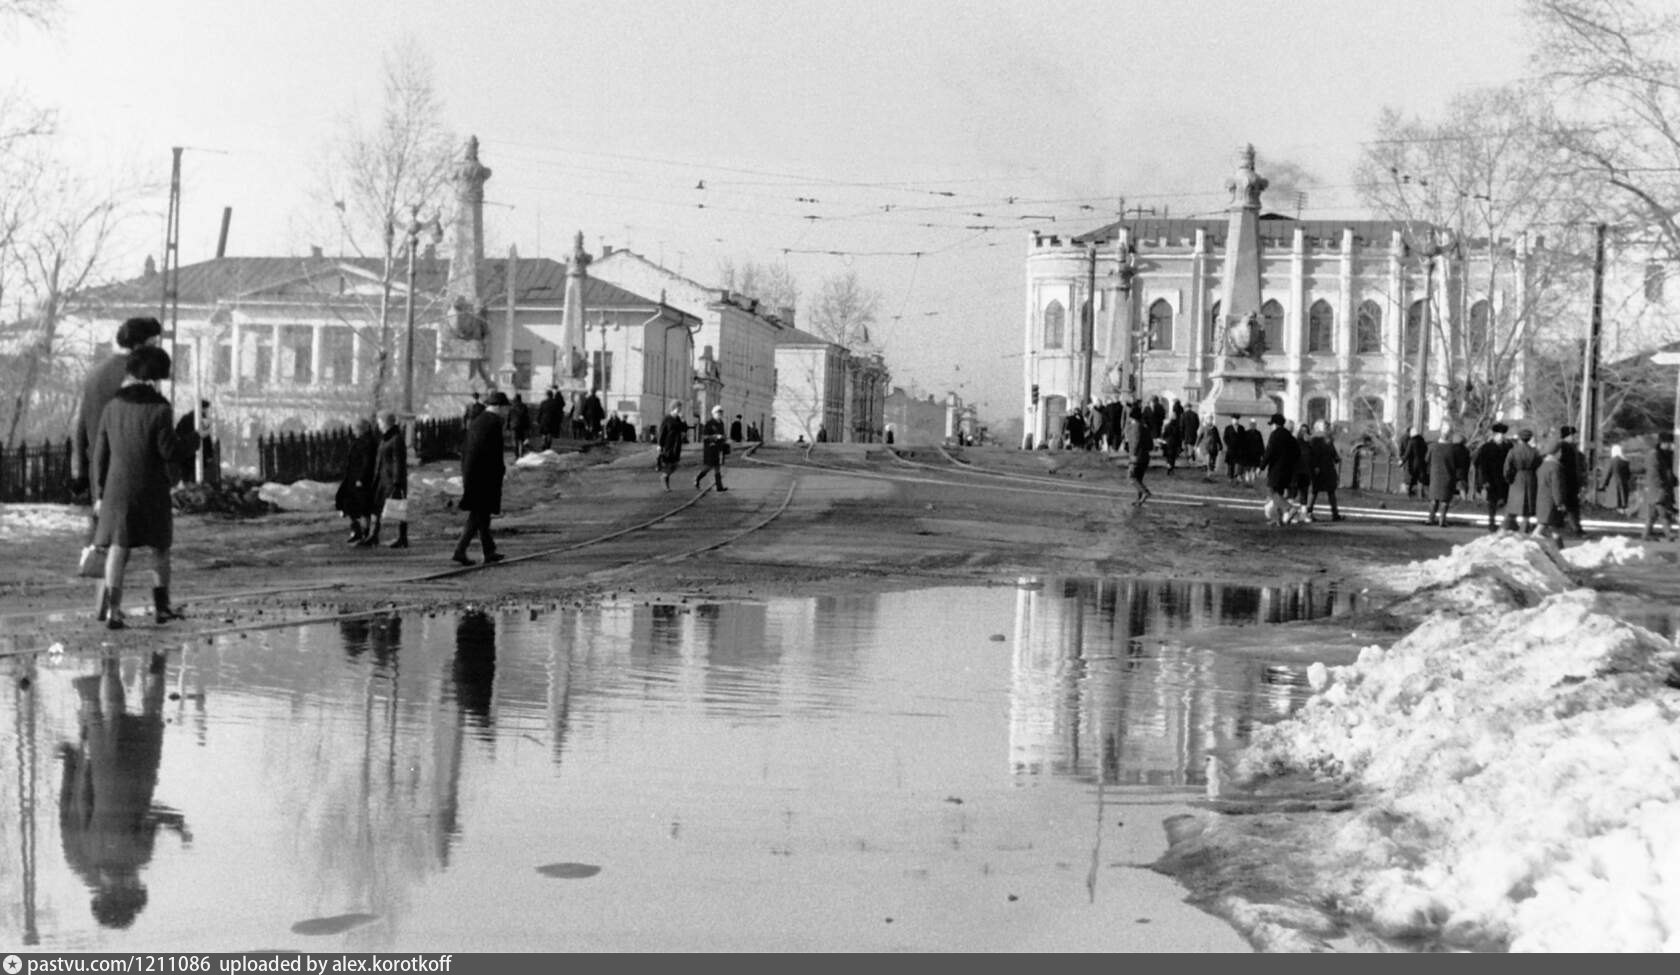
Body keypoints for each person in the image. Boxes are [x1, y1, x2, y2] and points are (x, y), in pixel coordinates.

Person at [59, 651, 184, 930]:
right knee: (110, 718)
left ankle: (156, 660)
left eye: (134, 888)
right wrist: (78, 761)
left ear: (128, 891)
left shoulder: (139, 857)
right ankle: (109, 660)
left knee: (150, 716)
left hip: (139, 777)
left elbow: (149, 816)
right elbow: (79, 804)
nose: (137, 882)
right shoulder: (83, 860)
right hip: (107, 776)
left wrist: (176, 823)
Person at [91, 345, 197, 629]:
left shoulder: (112, 407)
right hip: (151, 490)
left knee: (118, 548)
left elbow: (100, 454)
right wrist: (193, 441)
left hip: (117, 490)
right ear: (155, 377)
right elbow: (168, 451)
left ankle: (113, 610)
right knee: (159, 548)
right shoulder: (160, 409)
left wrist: (99, 493)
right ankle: (162, 608)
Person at [72, 316, 163, 548]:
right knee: (130, 541)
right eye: (153, 344)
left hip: (97, 463)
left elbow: (81, 424)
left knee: (101, 533)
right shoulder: (137, 378)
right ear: (140, 345)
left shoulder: (95, 373)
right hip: (129, 467)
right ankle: (113, 583)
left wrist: (79, 469)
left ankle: (99, 579)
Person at [453, 391, 508, 566]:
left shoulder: (479, 421)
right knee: (478, 514)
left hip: (474, 474)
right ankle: (460, 550)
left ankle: (489, 551)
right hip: (484, 476)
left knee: (482, 515)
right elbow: (494, 454)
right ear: (498, 407)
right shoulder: (493, 423)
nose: (507, 412)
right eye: (506, 408)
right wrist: (499, 471)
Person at [359, 412, 409, 549]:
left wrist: (397, 482)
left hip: (392, 481)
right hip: (382, 479)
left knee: (399, 509)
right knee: (376, 508)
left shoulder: (396, 439)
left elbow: (398, 461)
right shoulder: (385, 438)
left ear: (387, 423)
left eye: (380, 423)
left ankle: (402, 538)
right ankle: (374, 535)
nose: (379, 425)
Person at [334, 417, 379, 544]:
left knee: (364, 507)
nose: (353, 431)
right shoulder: (360, 441)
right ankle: (356, 529)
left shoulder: (368, 443)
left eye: (355, 429)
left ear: (361, 429)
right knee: (345, 502)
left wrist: (361, 478)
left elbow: (367, 463)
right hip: (352, 478)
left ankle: (365, 533)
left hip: (362, 480)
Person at [1472, 423, 1513, 532]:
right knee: (1492, 503)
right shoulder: (1487, 447)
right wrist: (1484, 480)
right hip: (1491, 478)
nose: (1501, 436)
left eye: (1503, 434)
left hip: (1504, 478)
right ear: (1494, 435)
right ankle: (1492, 522)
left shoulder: (1508, 447)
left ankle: (1506, 524)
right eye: (1499, 434)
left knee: (1505, 501)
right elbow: (1482, 465)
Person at [1261, 413, 1300, 526]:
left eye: (1272, 424)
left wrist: (1262, 466)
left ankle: (1289, 508)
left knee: (1272, 492)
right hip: (1288, 470)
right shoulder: (1290, 436)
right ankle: (1278, 520)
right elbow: (1297, 453)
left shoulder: (1275, 435)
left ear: (1275, 424)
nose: (1271, 426)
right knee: (1279, 493)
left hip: (1276, 469)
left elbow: (1269, 452)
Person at [1639, 431, 1677, 541]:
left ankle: (1646, 535)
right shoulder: (1655, 456)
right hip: (1658, 489)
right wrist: (1662, 486)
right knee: (1663, 513)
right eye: (1669, 443)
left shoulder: (1663, 455)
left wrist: (1673, 481)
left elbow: (1667, 472)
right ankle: (1669, 534)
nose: (1671, 446)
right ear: (1662, 443)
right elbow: (1655, 474)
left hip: (1657, 490)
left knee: (1652, 515)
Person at [1424, 425, 1465, 526]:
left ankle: (1431, 518)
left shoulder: (1432, 447)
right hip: (1448, 475)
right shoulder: (1454, 449)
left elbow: (1426, 460)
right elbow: (1458, 465)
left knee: (1433, 499)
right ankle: (1442, 520)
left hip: (1434, 476)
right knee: (1445, 499)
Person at [1503, 427, 1541, 533]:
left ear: (1519, 438)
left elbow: (1507, 467)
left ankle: (1507, 528)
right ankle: (1524, 528)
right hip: (1530, 478)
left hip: (1517, 478)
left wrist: (1509, 479)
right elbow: (1539, 465)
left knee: (1512, 506)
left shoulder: (1513, 451)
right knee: (1527, 508)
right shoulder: (1535, 452)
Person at [1533, 438, 1569, 547]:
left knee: (1554, 529)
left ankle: (1561, 551)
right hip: (1551, 503)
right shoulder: (1555, 467)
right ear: (1557, 452)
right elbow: (1557, 487)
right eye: (1560, 451)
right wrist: (1560, 503)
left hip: (1542, 500)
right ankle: (1530, 546)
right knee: (1541, 527)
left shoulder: (1542, 466)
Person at [1305, 420, 1343, 521]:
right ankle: (1334, 514)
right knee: (1328, 491)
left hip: (1320, 468)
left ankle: (1309, 512)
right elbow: (1332, 453)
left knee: (1315, 491)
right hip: (1326, 468)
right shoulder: (1323, 439)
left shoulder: (1315, 439)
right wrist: (1336, 458)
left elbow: (1313, 454)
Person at [1557, 425, 1586, 535]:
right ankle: (1574, 527)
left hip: (1572, 482)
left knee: (1571, 505)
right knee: (1569, 505)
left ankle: (1573, 526)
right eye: (1573, 435)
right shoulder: (1564, 448)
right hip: (1567, 481)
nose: (1575, 437)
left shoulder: (1572, 449)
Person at [695, 404, 730, 492]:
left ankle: (719, 487)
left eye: (721, 413)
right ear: (713, 414)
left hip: (718, 448)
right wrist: (715, 437)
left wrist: (723, 438)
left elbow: (722, 434)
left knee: (717, 467)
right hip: (710, 448)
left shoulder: (721, 423)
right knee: (708, 467)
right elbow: (704, 437)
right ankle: (698, 478)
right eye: (718, 413)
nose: (720, 414)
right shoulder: (709, 424)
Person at [656, 399, 689, 491]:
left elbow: (685, 429)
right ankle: (665, 480)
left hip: (677, 444)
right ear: (673, 408)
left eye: (680, 408)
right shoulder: (667, 418)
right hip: (668, 443)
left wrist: (683, 420)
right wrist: (659, 445)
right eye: (678, 407)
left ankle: (665, 476)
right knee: (668, 463)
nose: (679, 410)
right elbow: (662, 432)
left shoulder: (679, 419)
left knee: (675, 464)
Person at [1126, 404, 1152, 505]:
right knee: (1139, 478)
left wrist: (1133, 454)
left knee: (1131, 477)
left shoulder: (1136, 427)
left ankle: (1145, 492)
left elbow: (1135, 442)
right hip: (1145, 455)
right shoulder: (1144, 427)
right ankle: (1139, 499)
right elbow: (1150, 444)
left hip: (1137, 456)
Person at [1599, 442, 1633, 515]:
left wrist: (1604, 485)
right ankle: (1624, 511)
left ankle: (1618, 513)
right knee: (1624, 498)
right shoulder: (1625, 461)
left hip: (1615, 483)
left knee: (1616, 499)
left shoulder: (1613, 461)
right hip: (1624, 483)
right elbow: (1629, 474)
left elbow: (1608, 473)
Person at [1401, 426, 1429, 499]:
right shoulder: (1422, 440)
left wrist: (1402, 461)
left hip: (1414, 462)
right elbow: (1426, 450)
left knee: (1413, 478)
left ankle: (1410, 493)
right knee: (1422, 478)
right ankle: (1421, 493)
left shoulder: (1412, 442)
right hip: (1422, 462)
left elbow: (1407, 453)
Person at [509, 393, 531, 458]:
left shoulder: (512, 406)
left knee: (515, 441)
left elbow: (509, 417)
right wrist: (528, 426)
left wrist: (508, 426)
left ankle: (516, 455)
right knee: (521, 440)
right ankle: (521, 454)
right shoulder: (524, 406)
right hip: (522, 426)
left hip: (514, 426)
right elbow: (527, 417)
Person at [1222, 415, 1243, 483]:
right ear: (1232, 420)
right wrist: (1229, 445)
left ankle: (1239, 475)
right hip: (1231, 449)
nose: (1236, 421)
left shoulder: (1241, 428)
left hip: (1239, 449)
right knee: (1231, 464)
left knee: (1240, 462)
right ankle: (1230, 477)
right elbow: (1225, 437)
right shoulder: (1228, 428)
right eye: (1234, 419)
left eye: (1237, 419)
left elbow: (1244, 438)